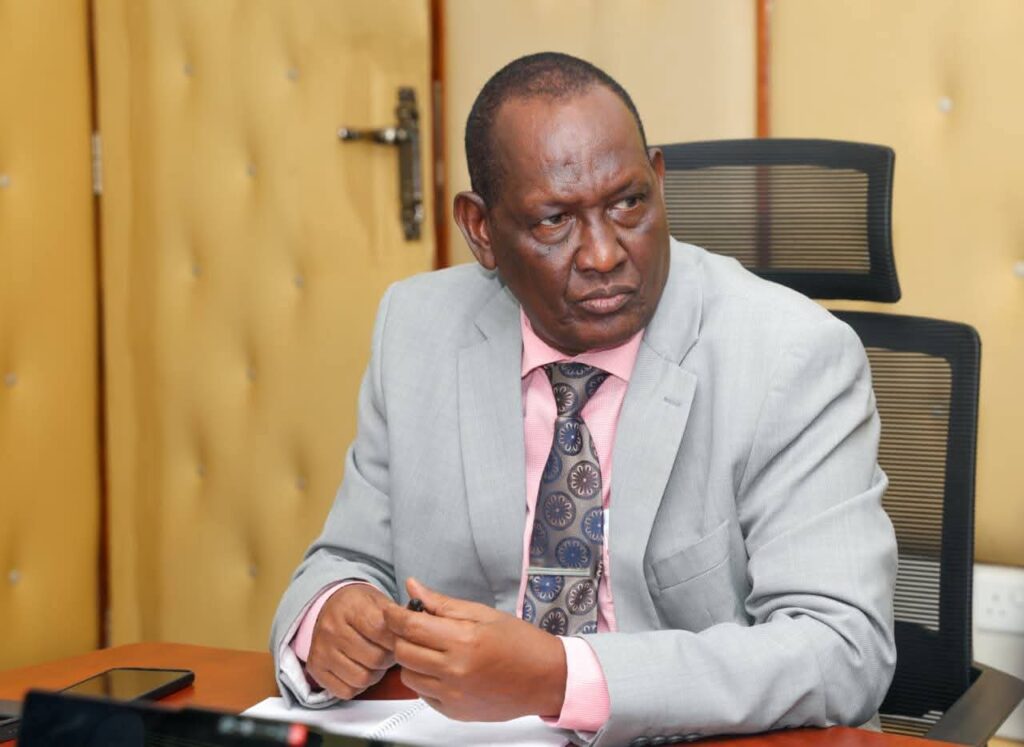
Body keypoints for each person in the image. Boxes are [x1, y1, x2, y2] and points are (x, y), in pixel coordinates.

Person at [271, 52, 897, 746]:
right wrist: (330, 612)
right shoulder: (418, 329)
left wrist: (561, 677)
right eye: (554, 220)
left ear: (659, 180)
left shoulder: (792, 356)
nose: (603, 254)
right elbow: (347, 557)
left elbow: (841, 648)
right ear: (481, 229)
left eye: (628, 202)